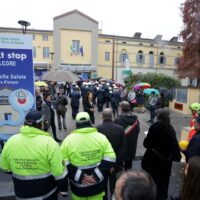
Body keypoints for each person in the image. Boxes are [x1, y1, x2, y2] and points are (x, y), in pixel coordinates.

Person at [0, 110, 68, 200]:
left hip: (21, 194)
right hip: (46, 194)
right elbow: (59, 173)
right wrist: (64, 191)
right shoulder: (49, 143)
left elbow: (4, 167)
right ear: (41, 124)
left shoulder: (11, 141)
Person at [60, 112, 116, 200]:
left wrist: (80, 177)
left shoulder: (68, 141)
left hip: (78, 189)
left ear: (76, 124)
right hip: (97, 186)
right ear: (90, 122)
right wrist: (95, 176)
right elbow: (111, 158)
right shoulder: (101, 137)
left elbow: (63, 162)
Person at [141, 109, 181, 200]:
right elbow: (175, 146)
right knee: (164, 183)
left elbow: (147, 144)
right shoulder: (171, 129)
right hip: (165, 163)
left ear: (158, 117)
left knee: (152, 181)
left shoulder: (154, 127)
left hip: (152, 162)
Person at [96, 108, 127, 198]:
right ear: (112, 116)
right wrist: (115, 165)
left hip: (102, 166)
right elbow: (123, 148)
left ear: (102, 116)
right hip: (116, 165)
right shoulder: (120, 129)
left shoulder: (97, 129)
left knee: (102, 188)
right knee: (115, 188)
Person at [114, 101, 140, 170]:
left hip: (121, 147)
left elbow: (116, 134)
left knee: (119, 166)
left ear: (122, 108)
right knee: (128, 166)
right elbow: (138, 131)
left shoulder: (118, 119)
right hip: (132, 145)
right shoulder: (136, 119)